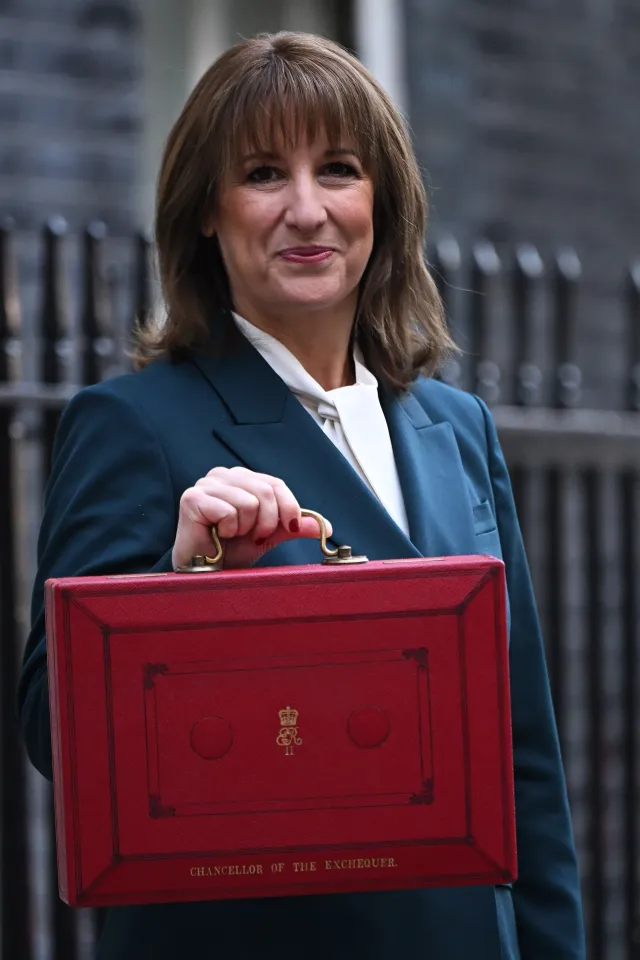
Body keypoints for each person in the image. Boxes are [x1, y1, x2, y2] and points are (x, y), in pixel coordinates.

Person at [17, 31, 585, 960]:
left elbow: (523, 752)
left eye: (340, 170)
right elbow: (55, 736)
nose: (308, 209)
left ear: (382, 202)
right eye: (263, 174)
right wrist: (180, 582)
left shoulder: (457, 428)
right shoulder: (131, 423)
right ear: (207, 211)